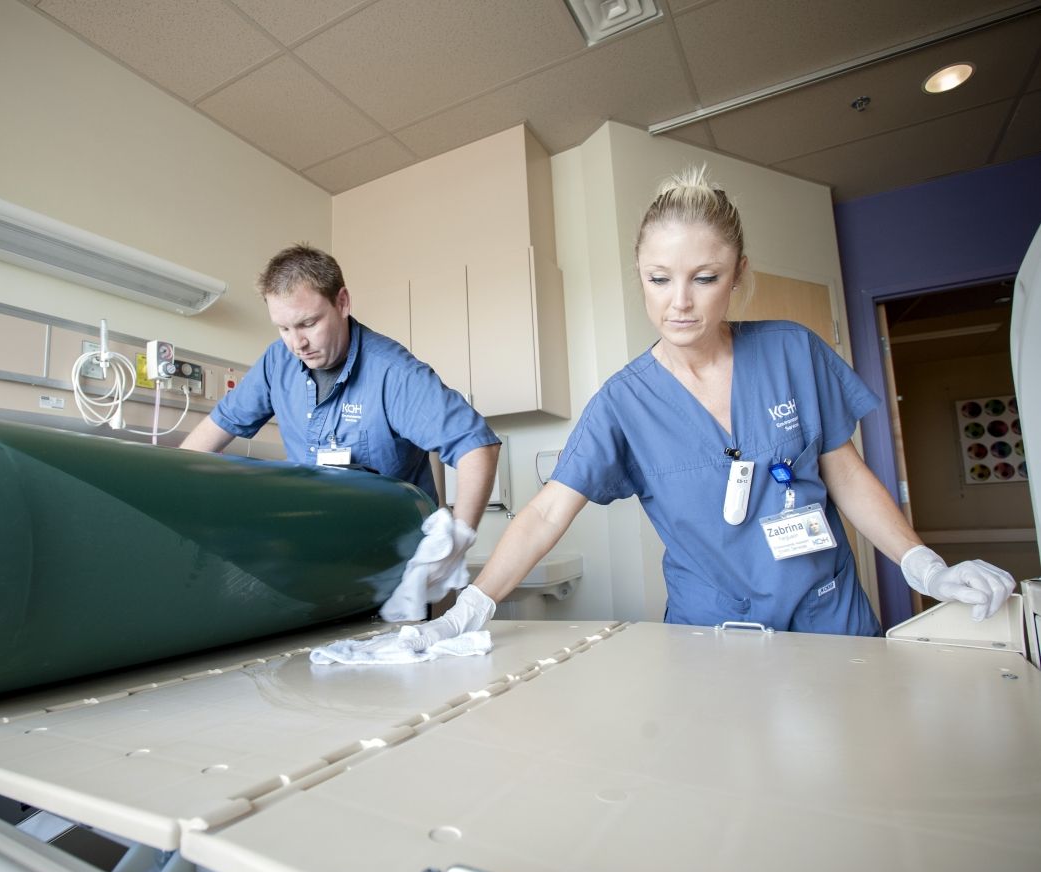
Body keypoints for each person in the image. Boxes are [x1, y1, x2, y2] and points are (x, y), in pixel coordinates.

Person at [400, 167, 1017, 649]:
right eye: (659, 278)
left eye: (706, 277)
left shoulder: (792, 351)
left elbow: (846, 473)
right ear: (639, 277)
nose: (680, 304)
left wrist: (925, 569)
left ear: (738, 275)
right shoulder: (623, 402)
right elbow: (544, 514)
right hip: (714, 631)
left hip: (829, 615)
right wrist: (469, 611)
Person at [181, 244, 501, 616]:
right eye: (283, 328)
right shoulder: (277, 362)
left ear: (343, 302)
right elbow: (210, 434)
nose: (297, 343)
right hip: (314, 557)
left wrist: (457, 541)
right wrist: (171, 491)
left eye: (308, 323)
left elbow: (478, 445)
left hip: (391, 563)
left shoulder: (392, 374)